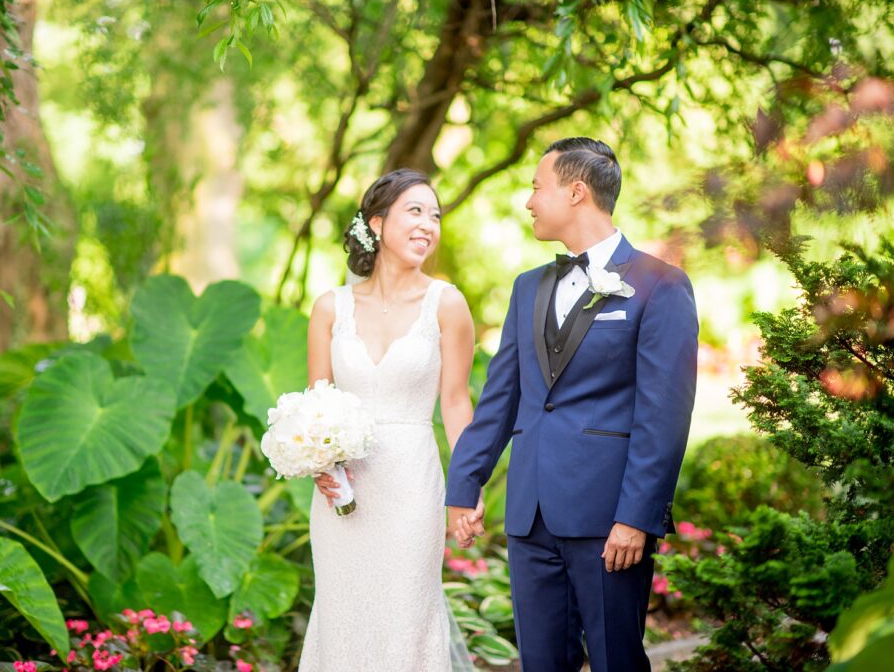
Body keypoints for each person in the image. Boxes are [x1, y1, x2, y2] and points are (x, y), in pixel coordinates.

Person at [446, 137, 698, 671]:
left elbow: (664, 418)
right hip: (530, 516)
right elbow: (501, 398)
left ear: (577, 191)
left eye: (538, 187)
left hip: (609, 521)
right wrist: (464, 485)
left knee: (616, 661)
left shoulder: (660, 287)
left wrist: (636, 516)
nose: (529, 201)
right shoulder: (527, 288)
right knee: (541, 663)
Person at [299, 169, 478, 671]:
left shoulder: (448, 304)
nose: (428, 225)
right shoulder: (329, 308)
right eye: (415, 211)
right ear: (377, 224)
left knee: (405, 614)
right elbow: (317, 404)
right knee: (342, 613)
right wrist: (316, 461)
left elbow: (456, 403)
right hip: (343, 488)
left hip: (411, 487)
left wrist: (468, 487)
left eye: (435, 215)